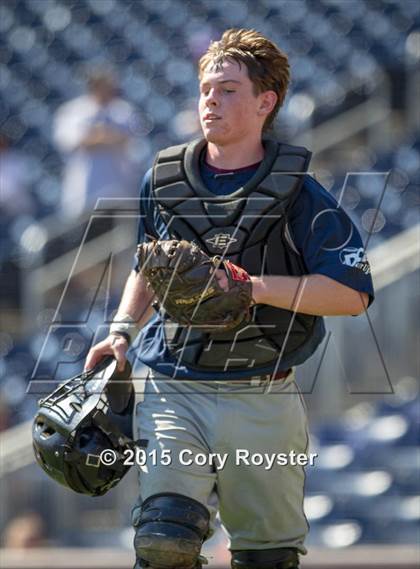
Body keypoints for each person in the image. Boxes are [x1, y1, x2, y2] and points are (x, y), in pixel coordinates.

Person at [86, 29, 375, 569]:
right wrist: (121, 330)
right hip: (174, 385)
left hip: (262, 392)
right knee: (163, 542)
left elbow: (352, 294)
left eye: (227, 90)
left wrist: (251, 288)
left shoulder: (301, 193)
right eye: (205, 90)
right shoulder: (165, 180)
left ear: (265, 102)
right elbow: (145, 265)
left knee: (267, 558)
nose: (210, 102)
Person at [53, 67, 139, 220]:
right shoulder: (74, 111)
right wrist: (102, 136)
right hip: (86, 190)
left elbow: (129, 138)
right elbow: (71, 142)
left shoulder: (123, 110)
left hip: (119, 187)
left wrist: (100, 136)